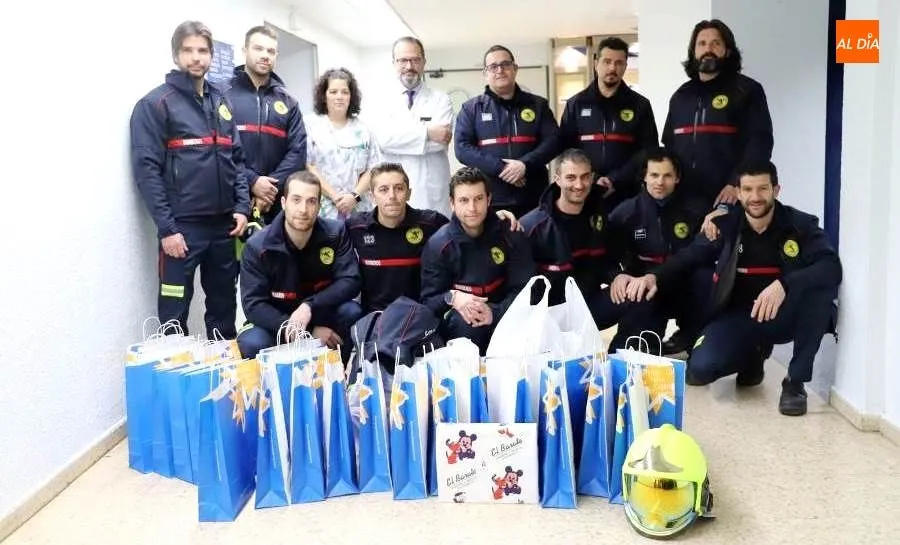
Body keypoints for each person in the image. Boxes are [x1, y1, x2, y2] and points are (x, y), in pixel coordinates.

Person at [624, 162, 842, 416]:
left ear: (776, 190)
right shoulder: (724, 226)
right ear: (738, 193)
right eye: (747, 190)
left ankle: (795, 381)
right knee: (699, 371)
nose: (755, 197)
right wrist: (654, 276)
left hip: (787, 315)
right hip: (740, 316)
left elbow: (831, 267)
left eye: (763, 189)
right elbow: (689, 256)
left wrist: (785, 284)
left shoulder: (800, 225)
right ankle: (753, 354)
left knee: (819, 292)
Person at [130, 20, 250, 339]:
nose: (196, 58)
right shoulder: (155, 104)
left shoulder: (220, 101)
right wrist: (167, 228)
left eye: (202, 51)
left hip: (225, 228)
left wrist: (242, 206)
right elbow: (147, 171)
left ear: (211, 56)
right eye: (188, 51)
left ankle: (223, 380)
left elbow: (236, 159)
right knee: (174, 313)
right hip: (182, 230)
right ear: (175, 55)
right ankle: (176, 380)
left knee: (224, 309)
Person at [347, 163, 524, 314]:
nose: (392, 196)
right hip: (374, 316)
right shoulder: (355, 228)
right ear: (372, 196)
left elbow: (464, 224)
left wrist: (493, 218)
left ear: (409, 193)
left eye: (399, 188)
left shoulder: (431, 223)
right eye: (383, 190)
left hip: (421, 316)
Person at [519, 149, 644, 350]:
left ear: (593, 177)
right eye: (571, 177)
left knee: (637, 293)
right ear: (557, 179)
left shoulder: (599, 216)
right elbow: (519, 284)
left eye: (585, 177)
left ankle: (617, 359)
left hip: (587, 308)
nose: (579, 185)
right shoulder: (532, 226)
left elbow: (606, 260)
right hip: (546, 318)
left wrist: (618, 276)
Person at [237, 170, 363, 360]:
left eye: (311, 201)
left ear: (319, 206)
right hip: (278, 323)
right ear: (283, 203)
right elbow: (254, 305)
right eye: (296, 200)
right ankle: (271, 387)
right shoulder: (257, 246)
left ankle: (337, 376)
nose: (303, 209)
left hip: (319, 314)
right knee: (252, 343)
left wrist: (309, 306)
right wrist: (308, 332)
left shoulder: (336, 233)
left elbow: (351, 280)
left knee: (351, 311)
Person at [607, 147, 713, 354]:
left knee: (706, 278)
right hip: (646, 290)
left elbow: (702, 250)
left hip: (684, 284)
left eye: (667, 176)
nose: (660, 182)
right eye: (654, 175)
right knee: (630, 353)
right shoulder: (625, 212)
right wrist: (618, 276)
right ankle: (647, 345)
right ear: (644, 176)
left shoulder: (697, 210)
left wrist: (722, 211)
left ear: (677, 177)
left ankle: (692, 337)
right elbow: (605, 254)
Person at [420, 167, 535, 355]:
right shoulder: (439, 245)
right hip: (463, 322)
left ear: (489, 199)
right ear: (452, 203)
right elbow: (429, 302)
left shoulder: (509, 232)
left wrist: (495, 313)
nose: (472, 208)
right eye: (464, 200)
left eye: (478, 199)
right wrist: (453, 297)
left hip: (506, 312)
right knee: (466, 324)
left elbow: (525, 288)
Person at [661, 19, 774, 210]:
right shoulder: (681, 96)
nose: (708, 49)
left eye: (716, 43)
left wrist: (736, 182)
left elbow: (760, 142)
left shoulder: (747, 90)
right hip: (684, 199)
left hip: (729, 196)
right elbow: (670, 145)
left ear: (727, 51)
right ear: (693, 52)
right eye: (702, 44)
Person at [454, 45, 559, 219]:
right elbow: (462, 148)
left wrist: (524, 165)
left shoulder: (538, 105)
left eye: (505, 64)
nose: (500, 70)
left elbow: (554, 141)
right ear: (485, 73)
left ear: (515, 69)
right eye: (493, 66)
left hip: (534, 197)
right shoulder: (472, 109)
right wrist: (502, 168)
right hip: (491, 200)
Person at [559, 37, 658, 209]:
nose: (612, 68)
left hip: (627, 194)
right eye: (607, 61)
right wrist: (594, 178)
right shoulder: (576, 104)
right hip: (584, 192)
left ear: (626, 66)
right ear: (596, 63)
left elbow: (647, 150)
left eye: (619, 63)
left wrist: (615, 179)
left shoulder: (640, 105)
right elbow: (567, 149)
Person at [227, 25, 307, 224]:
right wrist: (252, 181)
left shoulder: (289, 102)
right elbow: (219, 148)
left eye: (271, 51)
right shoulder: (222, 95)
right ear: (245, 51)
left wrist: (268, 189)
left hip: (276, 205)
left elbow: (297, 152)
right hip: (232, 203)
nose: (265, 55)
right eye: (258, 48)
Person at [369, 37, 453, 217]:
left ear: (423, 62)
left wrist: (400, 137)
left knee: (436, 240)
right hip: (394, 189)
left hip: (431, 190)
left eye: (415, 60)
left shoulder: (441, 99)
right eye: (403, 60)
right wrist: (428, 132)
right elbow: (384, 140)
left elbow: (441, 141)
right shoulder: (380, 100)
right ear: (394, 63)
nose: (409, 66)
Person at [306, 68, 383, 221]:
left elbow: (373, 168)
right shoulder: (310, 125)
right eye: (333, 92)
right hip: (322, 206)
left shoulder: (363, 129)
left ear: (351, 96)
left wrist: (354, 196)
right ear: (324, 95)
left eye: (345, 92)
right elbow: (309, 165)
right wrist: (334, 196)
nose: (339, 97)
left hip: (358, 205)